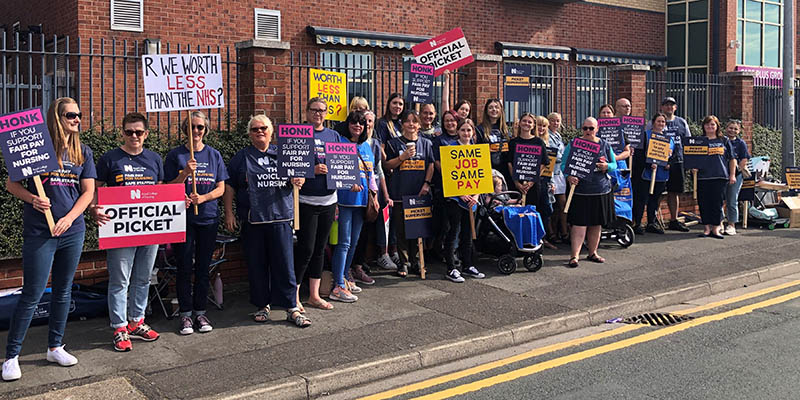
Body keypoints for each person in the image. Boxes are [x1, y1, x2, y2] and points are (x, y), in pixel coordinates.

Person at [2, 98, 95, 381]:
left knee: (64, 291)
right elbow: (11, 183)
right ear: (57, 116)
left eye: (79, 114)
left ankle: (55, 346)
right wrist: (32, 199)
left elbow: (88, 192)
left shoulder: (83, 152)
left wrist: (69, 219)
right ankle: (11, 356)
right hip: (41, 232)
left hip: (72, 231)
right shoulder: (37, 149)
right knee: (32, 293)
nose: (77, 119)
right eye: (71, 115)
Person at [223, 115, 310, 327]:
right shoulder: (241, 158)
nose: (259, 132)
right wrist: (228, 212)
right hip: (253, 221)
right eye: (255, 129)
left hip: (281, 217)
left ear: (271, 131)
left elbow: (300, 176)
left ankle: (292, 307)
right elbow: (229, 186)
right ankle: (262, 305)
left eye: (263, 128)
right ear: (249, 134)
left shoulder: (284, 153)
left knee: (285, 265)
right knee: (257, 266)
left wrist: (300, 179)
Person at [92, 113, 163, 352]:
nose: (134, 136)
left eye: (139, 132)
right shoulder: (110, 158)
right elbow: (96, 189)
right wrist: (94, 208)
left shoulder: (155, 159)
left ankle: (137, 321)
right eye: (129, 132)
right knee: (120, 280)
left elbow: (161, 192)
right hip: (120, 230)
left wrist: (175, 205)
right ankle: (120, 327)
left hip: (149, 229)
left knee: (143, 278)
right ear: (122, 133)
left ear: (146, 134)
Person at [164, 111, 228, 335]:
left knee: (203, 267)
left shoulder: (214, 155)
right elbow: (167, 186)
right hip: (183, 219)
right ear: (185, 130)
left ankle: (200, 312)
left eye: (200, 127)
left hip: (208, 218)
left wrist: (203, 198)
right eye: (191, 127)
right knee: (184, 267)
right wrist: (184, 175)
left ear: (205, 130)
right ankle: (185, 314)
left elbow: (221, 188)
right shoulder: (175, 156)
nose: (196, 131)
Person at [292, 98, 340, 312]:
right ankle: (293, 297)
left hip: (329, 201)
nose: (318, 114)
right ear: (307, 111)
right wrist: (312, 170)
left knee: (320, 249)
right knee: (305, 249)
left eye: (322, 110)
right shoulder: (297, 134)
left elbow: (342, 164)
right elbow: (290, 166)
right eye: (314, 110)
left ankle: (314, 295)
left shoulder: (334, 136)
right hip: (306, 201)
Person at [330, 111, 378, 302]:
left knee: (354, 242)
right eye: (354, 122)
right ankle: (338, 284)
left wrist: (374, 196)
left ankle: (344, 276)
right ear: (347, 123)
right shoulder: (339, 143)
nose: (358, 126)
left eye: (362, 123)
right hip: (344, 200)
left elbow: (371, 174)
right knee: (344, 242)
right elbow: (334, 174)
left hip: (362, 201)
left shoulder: (366, 146)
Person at [383, 110, 435, 277]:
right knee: (402, 230)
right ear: (402, 124)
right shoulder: (393, 143)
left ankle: (417, 261)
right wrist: (403, 157)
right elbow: (387, 166)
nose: (411, 124)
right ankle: (404, 262)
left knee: (418, 229)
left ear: (419, 125)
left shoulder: (426, 144)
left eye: (414, 121)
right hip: (400, 193)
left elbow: (431, 165)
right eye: (408, 121)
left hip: (419, 193)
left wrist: (426, 184)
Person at [562, 117, 617, 268]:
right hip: (580, 191)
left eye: (591, 128)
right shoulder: (573, 144)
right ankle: (574, 256)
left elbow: (614, 164)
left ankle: (593, 252)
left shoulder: (605, 145)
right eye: (585, 128)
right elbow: (563, 164)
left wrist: (607, 166)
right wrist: (569, 176)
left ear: (597, 129)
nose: (587, 131)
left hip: (600, 190)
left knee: (596, 224)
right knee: (579, 224)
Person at [351, 110, 396, 277]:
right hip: (354, 194)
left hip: (371, 193)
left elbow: (378, 171)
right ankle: (353, 266)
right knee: (352, 234)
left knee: (366, 230)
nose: (367, 124)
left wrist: (383, 194)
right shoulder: (350, 142)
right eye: (364, 121)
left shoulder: (375, 144)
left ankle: (359, 264)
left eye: (370, 121)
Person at [442, 118, 485, 282]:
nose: (466, 133)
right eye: (463, 130)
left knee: (468, 234)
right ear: (458, 132)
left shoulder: (477, 150)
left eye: (469, 130)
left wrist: (475, 196)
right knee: (454, 233)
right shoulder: (450, 149)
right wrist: (460, 194)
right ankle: (451, 268)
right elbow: (448, 175)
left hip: (472, 201)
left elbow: (481, 176)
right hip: (455, 200)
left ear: (473, 132)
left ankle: (467, 265)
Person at [505, 113, 553, 249]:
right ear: (520, 123)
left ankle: (533, 242)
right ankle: (518, 242)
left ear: (533, 125)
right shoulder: (513, 142)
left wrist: (532, 180)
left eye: (530, 122)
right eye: (524, 121)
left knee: (533, 213)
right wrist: (516, 183)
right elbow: (510, 163)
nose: (527, 124)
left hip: (533, 185)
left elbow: (544, 163)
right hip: (517, 183)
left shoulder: (538, 142)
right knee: (518, 212)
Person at [648, 97, 691, 232]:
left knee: (674, 192)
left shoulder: (682, 122)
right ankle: (652, 221)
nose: (669, 107)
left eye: (671, 105)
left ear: (675, 107)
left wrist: (690, 162)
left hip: (677, 162)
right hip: (659, 163)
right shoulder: (653, 122)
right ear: (662, 107)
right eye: (666, 105)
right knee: (657, 193)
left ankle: (673, 219)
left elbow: (687, 142)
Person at [693, 115, 736, 239]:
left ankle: (716, 228)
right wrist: (693, 167)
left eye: (712, 124)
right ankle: (706, 228)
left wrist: (732, 175)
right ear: (703, 126)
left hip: (720, 176)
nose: (710, 127)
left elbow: (732, 159)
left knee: (717, 203)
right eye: (707, 124)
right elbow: (692, 157)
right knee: (704, 203)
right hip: (703, 177)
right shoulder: (699, 140)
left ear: (717, 126)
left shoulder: (724, 140)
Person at [632, 113, 673, 234]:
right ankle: (638, 223)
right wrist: (648, 164)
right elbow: (639, 155)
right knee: (641, 199)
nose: (661, 124)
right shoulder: (646, 135)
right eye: (659, 121)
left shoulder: (668, 139)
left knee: (655, 199)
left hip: (661, 175)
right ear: (653, 122)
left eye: (663, 122)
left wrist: (668, 164)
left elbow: (672, 155)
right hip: (647, 174)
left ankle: (651, 222)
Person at [722, 120, 750, 235]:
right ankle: (719, 223)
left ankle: (731, 224)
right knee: (719, 200)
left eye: (735, 129)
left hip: (735, 176)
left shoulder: (741, 143)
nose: (732, 130)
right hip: (721, 174)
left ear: (738, 131)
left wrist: (735, 171)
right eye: (730, 128)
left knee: (732, 200)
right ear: (726, 128)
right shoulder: (721, 140)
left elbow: (744, 159)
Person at [476, 98, 511, 185]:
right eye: (491, 107)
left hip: (505, 170)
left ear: (501, 110)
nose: (494, 109)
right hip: (488, 170)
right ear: (486, 111)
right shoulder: (480, 130)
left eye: (496, 107)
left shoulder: (507, 130)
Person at [547, 112, 569, 243]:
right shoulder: (547, 136)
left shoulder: (559, 136)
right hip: (551, 174)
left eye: (558, 121)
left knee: (562, 204)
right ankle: (551, 233)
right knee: (552, 204)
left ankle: (562, 231)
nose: (555, 123)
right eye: (553, 120)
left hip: (559, 174)